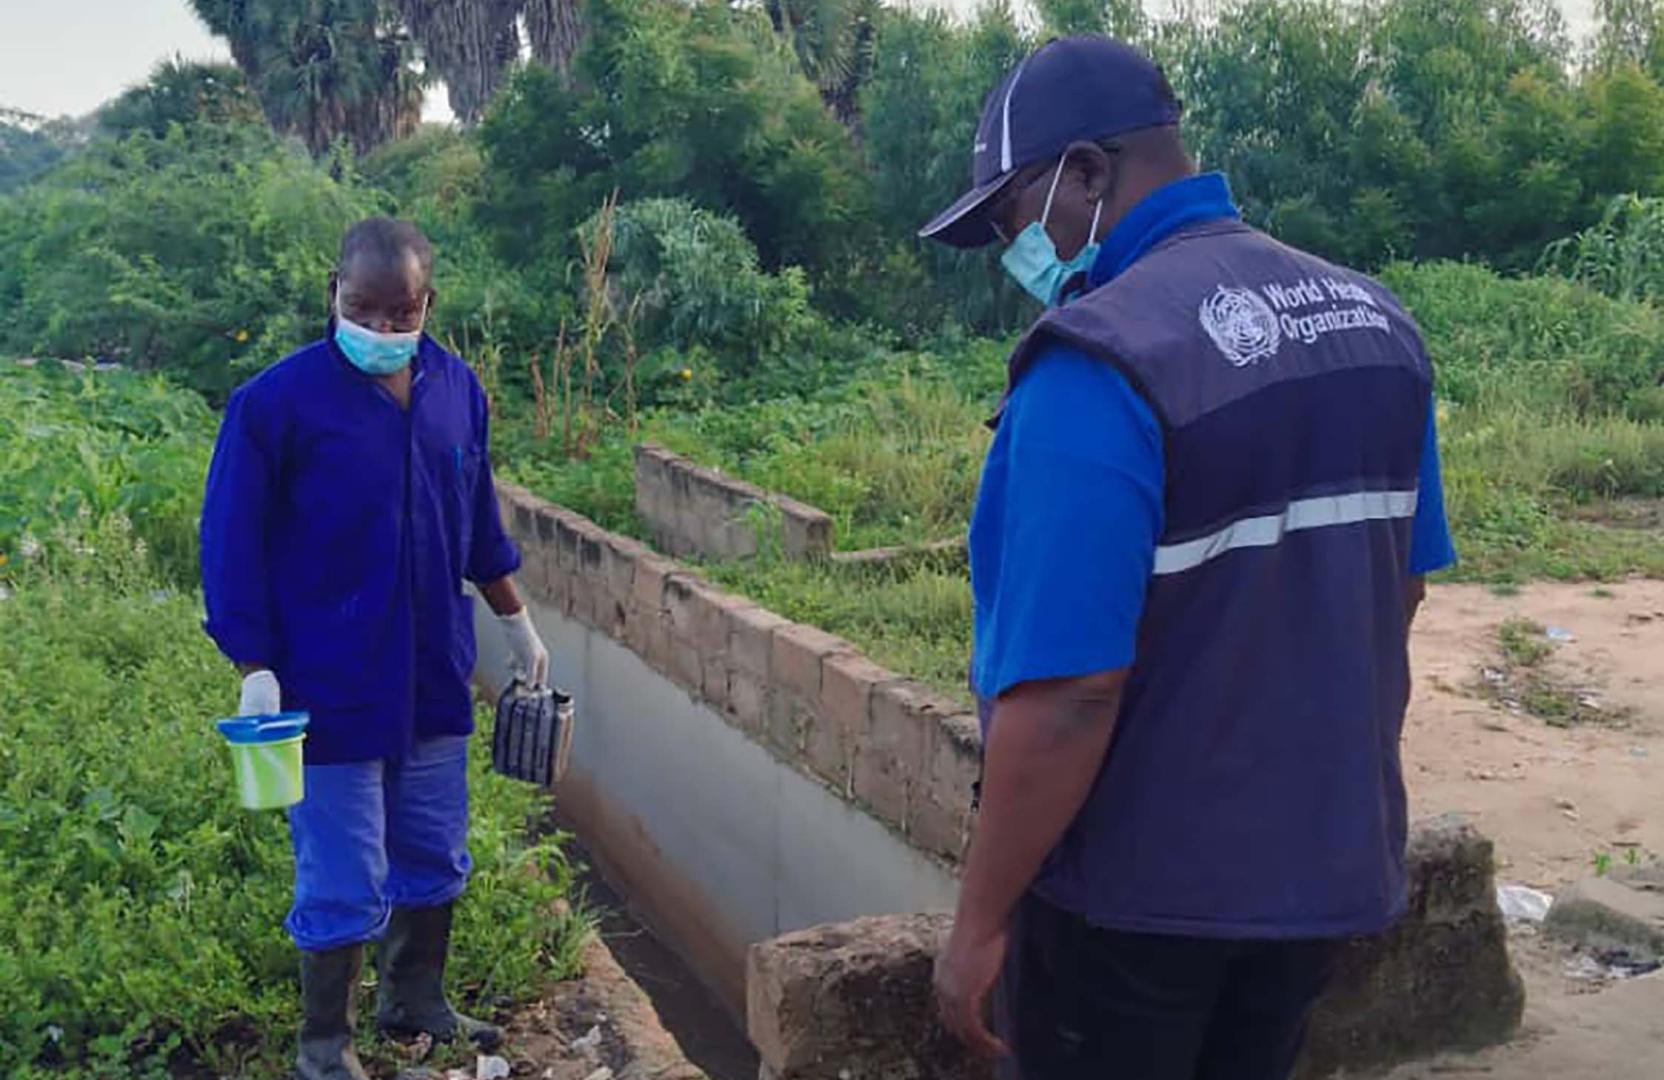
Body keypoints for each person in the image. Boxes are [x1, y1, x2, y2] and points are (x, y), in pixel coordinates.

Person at [919, 36, 1457, 1080]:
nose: (1010, 247)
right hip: (1319, 873)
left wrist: (977, 925)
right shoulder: (1374, 327)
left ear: (1084, 172)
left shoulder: (1100, 361)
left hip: (1136, 903)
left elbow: (1069, 691)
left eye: (1009, 214)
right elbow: (1396, 590)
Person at [200, 217, 551, 1080]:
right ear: (334, 294)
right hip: (326, 685)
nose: (383, 330)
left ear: (428, 304)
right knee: (343, 873)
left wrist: (515, 621)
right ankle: (324, 1046)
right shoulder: (275, 406)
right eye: (364, 309)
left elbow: (477, 521)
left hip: (433, 671)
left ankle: (414, 997)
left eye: (401, 314)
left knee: (433, 847)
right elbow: (229, 544)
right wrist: (254, 666)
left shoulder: (455, 391)